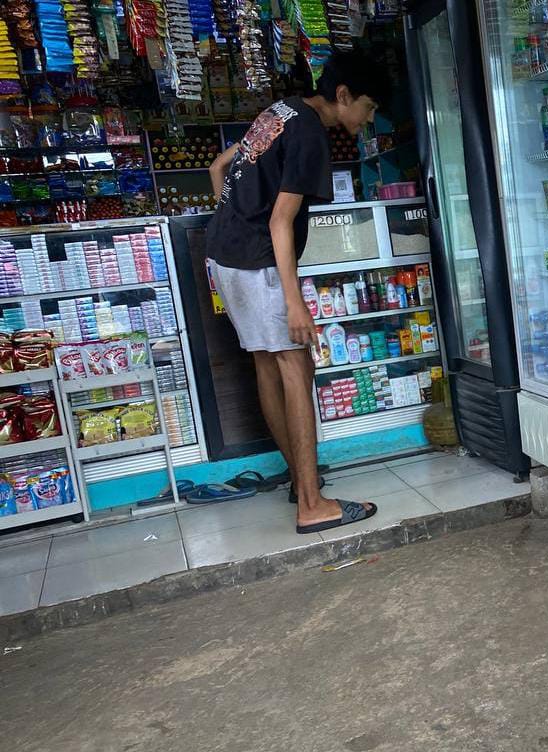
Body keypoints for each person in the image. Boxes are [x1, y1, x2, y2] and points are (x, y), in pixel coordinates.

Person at [206, 51, 390, 534]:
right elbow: (280, 221)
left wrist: (233, 221)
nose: (369, 119)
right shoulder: (310, 132)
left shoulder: (282, 110)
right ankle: (312, 503)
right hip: (258, 263)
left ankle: (298, 481)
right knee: (296, 364)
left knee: (269, 363)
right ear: (344, 95)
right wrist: (294, 302)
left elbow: (218, 166)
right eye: (368, 108)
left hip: (225, 255)